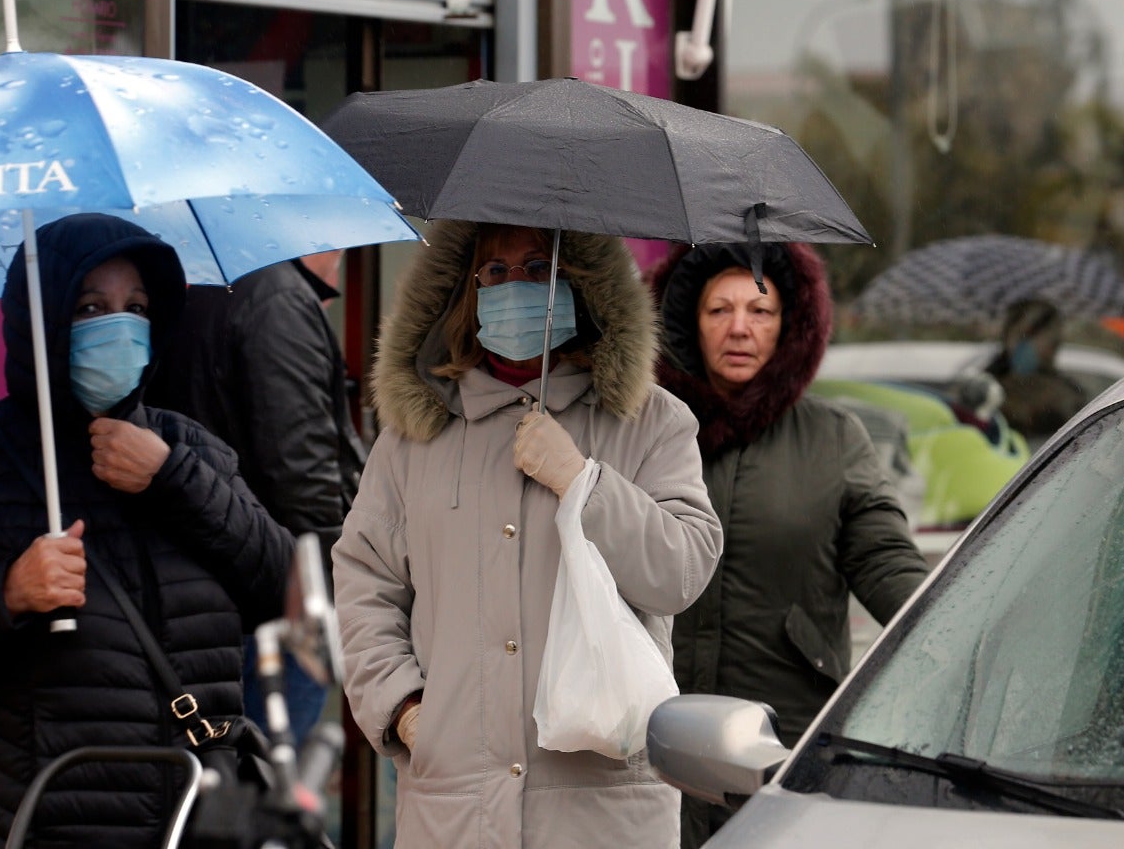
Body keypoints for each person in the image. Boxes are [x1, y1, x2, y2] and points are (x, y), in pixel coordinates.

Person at [0, 213, 294, 849]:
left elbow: (286, 588)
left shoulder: (189, 451)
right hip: (32, 825)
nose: (119, 326)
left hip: (190, 825)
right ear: (41, 322)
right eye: (92, 307)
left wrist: (173, 480)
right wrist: (5, 594)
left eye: (136, 307)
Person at [332, 221, 723, 849]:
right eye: (496, 271)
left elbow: (681, 572)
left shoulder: (650, 421)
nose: (517, 285)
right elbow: (364, 583)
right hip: (456, 811)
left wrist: (581, 481)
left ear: (578, 280)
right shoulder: (413, 440)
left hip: (603, 811)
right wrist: (405, 710)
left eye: (539, 265)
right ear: (468, 289)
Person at [651, 242, 929, 848]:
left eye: (761, 310)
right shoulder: (651, 431)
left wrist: (949, 625)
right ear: (687, 324)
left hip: (784, 740)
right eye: (718, 310)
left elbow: (883, 556)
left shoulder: (833, 436)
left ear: (790, 326)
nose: (740, 327)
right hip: (653, 738)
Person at [148, 248, 365, 745]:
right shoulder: (277, 300)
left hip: (213, 589)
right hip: (274, 596)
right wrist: (334, 598)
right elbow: (305, 481)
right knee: (266, 782)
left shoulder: (217, 286)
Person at [983, 297, 1087, 444]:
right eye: (1020, 335)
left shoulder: (1067, 397)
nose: (1022, 345)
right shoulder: (985, 389)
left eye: (1030, 335)